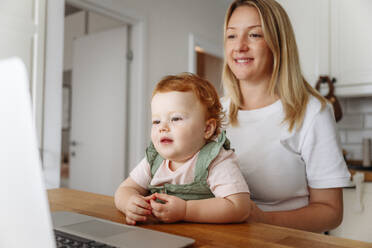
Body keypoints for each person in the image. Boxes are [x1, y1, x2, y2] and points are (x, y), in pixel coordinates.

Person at [221, 0, 351, 233]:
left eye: (254, 35)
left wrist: (261, 219)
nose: (239, 46)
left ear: (278, 44)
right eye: (231, 36)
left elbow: (331, 211)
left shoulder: (312, 112)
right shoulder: (215, 114)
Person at [114, 73, 251, 225]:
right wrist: (129, 204)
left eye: (176, 119)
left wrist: (185, 210)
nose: (163, 128)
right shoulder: (154, 160)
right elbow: (125, 189)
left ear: (207, 129)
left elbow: (240, 207)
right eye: (156, 121)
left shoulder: (216, 161)